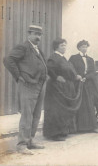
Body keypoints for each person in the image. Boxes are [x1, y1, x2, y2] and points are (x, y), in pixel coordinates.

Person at [3, 25, 47, 155]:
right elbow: (8, 60)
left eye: (39, 35)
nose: (38, 37)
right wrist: (19, 76)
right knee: (27, 115)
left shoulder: (37, 49)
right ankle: (22, 144)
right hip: (28, 85)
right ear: (29, 34)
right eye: (35, 34)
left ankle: (30, 141)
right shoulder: (23, 47)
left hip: (40, 84)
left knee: (36, 114)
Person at [43, 38, 83, 141]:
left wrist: (76, 76)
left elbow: (69, 70)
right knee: (57, 110)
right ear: (56, 47)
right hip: (56, 88)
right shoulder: (53, 57)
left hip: (65, 87)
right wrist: (56, 77)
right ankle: (54, 134)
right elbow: (49, 69)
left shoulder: (63, 58)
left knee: (64, 110)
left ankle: (63, 131)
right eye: (62, 46)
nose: (64, 47)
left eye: (65, 45)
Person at [69, 40, 98, 133]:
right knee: (80, 104)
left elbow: (93, 72)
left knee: (89, 104)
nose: (84, 48)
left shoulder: (90, 59)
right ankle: (78, 128)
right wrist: (77, 77)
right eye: (83, 46)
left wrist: (86, 77)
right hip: (77, 84)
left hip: (87, 84)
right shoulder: (73, 58)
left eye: (86, 47)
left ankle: (91, 127)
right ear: (79, 48)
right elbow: (70, 69)